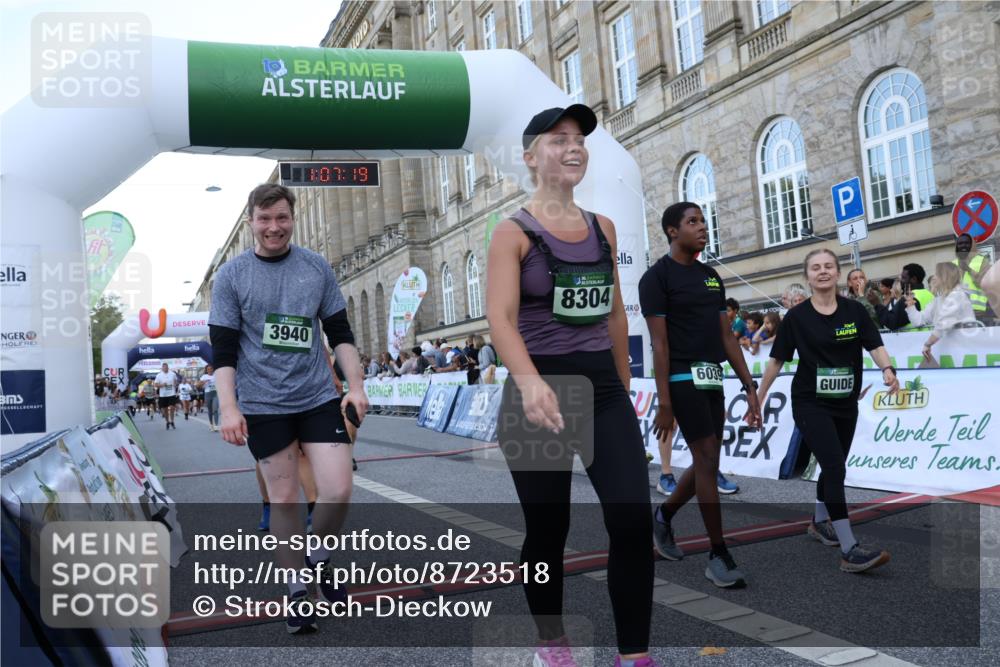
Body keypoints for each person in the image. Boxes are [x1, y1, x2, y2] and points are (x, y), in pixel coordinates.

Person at [487, 104, 660, 667]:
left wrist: (623, 378)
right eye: (558, 139)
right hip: (534, 393)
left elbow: (612, 312)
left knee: (632, 519)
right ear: (531, 156)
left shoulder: (602, 228)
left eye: (580, 139)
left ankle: (634, 653)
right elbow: (501, 319)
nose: (573, 147)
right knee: (548, 529)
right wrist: (530, 382)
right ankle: (552, 644)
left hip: (601, 391)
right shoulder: (511, 233)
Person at [209, 183, 368, 635]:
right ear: (251, 223)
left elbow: (339, 332)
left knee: (337, 490)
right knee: (283, 499)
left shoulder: (315, 267)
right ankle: (297, 589)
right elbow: (222, 351)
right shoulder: (233, 276)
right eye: (264, 219)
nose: (273, 227)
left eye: (281, 218)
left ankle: (316, 559)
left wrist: (354, 386)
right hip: (263, 404)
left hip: (317, 395)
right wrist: (229, 407)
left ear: (292, 217)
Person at [640, 201, 762, 590]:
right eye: (692, 222)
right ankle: (718, 553)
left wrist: (749, 385)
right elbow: (659, 345)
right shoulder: (656, 278)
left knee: (707, 461)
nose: (702, 228)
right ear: (672, 231)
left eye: (704, 222)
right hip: (679, 377)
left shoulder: (711, 278)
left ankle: (663, 517)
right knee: (707, 457)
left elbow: (726, 336)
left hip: (712, 378)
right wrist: (665, 403)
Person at [757, 248, 900, 573]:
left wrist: (888, 369)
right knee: (835, 467)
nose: (822, 271)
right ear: (808, 276)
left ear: (837, 274)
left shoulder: (854, 312)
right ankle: (850, 550)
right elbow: (776, 360)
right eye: (815, 267)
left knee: (833, 464)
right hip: (810, 402)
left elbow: (874, 344)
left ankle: (819, 521)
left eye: (828, 267)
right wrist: (760, 396)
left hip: (845, 403)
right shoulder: (796, 318)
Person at [905, 261, 977, 361]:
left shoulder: (958, 295)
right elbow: (919, 321)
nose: (934, 277)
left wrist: (928, 343)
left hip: (967, 350)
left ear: (945, 276)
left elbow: (943, 324)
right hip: (952, 352)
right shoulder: (939, 299)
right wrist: (910, 306)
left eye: (937, 274)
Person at [953, 233, 992, 321]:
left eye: (966, 243)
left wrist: (969, 270)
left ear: (972, 245)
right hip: (957, 313)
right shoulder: (953, 263)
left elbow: (987, 284)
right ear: (956, 246)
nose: (963, 246)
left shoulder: (982, 261)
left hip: (978, 313)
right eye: (960, 243)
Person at [154, 363, 178, 429]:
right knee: (165, 410)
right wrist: (162, 385)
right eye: (164, 367)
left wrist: (175, 384)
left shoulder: (173, 374)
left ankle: (172, 421)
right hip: (163, 395)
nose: (165, 368)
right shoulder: (159, 375)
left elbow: (176, 381)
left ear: (168, 367)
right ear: (162, 368)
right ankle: (167, 422)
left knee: (172, 407)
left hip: (171, 393)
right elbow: (155, 385)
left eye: (166, 367)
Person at [200, 365, 219, 431]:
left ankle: (216, 425)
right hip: (208, 394)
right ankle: (211, 424)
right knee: (210, 410)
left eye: (211, 368)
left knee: (215, 409)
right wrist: (204, 382)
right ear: (206, 370)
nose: (210, 370)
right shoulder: (204, 376)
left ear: (213, 369)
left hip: (215, 393)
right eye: (208, 369)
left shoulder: (216, 375)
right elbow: (198, 385)